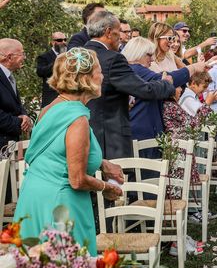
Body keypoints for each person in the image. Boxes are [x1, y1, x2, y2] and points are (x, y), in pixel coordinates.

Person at [14, 48, 124, 255]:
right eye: (99, 71)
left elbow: (57, 151)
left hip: (34, 197)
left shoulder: (50, 108)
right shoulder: (77, 119)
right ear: (87, 78)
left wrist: (102, 163)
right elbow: (77, 179)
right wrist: (106, 188)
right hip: (61, 205)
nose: (102, 76)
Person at [84, 11, 175, 159]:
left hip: (79, 134)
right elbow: (146, 90)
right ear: (108, 32)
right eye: (118, 31)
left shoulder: (75, 55)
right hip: (109, 139)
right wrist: (166, 84)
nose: (121, 36)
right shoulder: (113, 59)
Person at [121, 36, 208, 143]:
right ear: (137, 54)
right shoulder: (137, 70)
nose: (152, 59)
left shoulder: (128, 70)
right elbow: (168, 79)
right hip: (143, 135)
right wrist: (194, 68)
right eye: (149, 55)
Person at [0, 39, 32, 153]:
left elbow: (15, 103)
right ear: (9, 57)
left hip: (9, 144)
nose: (24, 57)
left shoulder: (8, 75)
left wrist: (24, 115)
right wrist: (19, 123)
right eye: (22, 54)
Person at [36, 31, 67, 108]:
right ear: (53, 42)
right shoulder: (44, 57)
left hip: (68, 96)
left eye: (65, 40)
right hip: (51, 96)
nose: (63, 42)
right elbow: (40, 72)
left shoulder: (70, 55)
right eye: (59, 40)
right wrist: (58, 61)